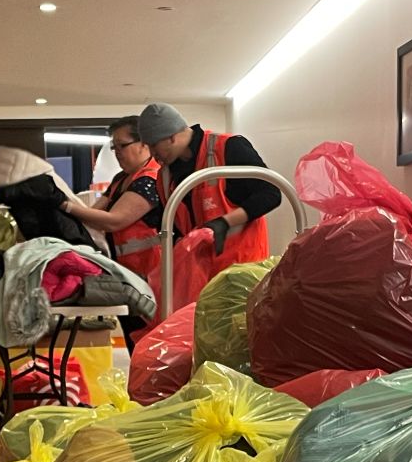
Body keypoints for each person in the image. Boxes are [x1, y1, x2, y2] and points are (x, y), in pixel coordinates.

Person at [135, 103, 280, 271]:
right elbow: (174, 228)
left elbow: (271, 193)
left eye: (153, 145)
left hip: (243, 272)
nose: (152, 153)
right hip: (199, 276)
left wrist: (224, 223)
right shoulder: (165, 177)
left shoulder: (228, 147)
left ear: (171, 137)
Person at [60, 117, 165, 334]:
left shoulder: (150, 179)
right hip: (128, 276)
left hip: (152, 278)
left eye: (122, 146)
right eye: (113, 147)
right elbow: (95, 215)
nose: (117, 152)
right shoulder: (121, 179)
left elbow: (114, 220)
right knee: (133, 337)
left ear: (144, 143)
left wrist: (65, 206)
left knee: (149, 339)